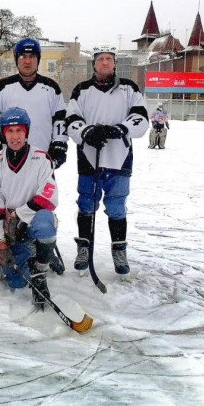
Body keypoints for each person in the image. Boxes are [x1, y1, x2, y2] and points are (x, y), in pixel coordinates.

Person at [65, 43, 148, 277]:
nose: (104, 62)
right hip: (89, 158)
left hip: (119, 158)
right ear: (93, 63)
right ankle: (84, 248)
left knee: (116, 207)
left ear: (114, 63)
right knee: (86, 205)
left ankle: (119, 252)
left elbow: (141, 119)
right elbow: (72, 119)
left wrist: (120, 129)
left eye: (108, 59)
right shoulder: (81, 90)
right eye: (100, 58)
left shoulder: (129, 88)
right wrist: (86, 132)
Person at [0, 108, 59, 309]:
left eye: (19, 131)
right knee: (16, 282)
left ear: (26, 132)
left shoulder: (41, 158)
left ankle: (40, 267)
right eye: (10, 131)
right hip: (11, 229)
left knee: (45, 223)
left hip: (32, 219)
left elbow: (49, 197)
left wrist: (19, 214)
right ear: (3, 133)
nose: (15, 136)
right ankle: (27, 254)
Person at [0, 38, 68, 169]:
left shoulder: (51, 87)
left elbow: (60, 120)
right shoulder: (2, 86)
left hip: (42, 160)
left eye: (32, 56)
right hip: (10, 160)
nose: (27, 61)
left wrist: (59, 145)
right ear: (16, 59)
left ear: (38, 59)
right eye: (23, 56)